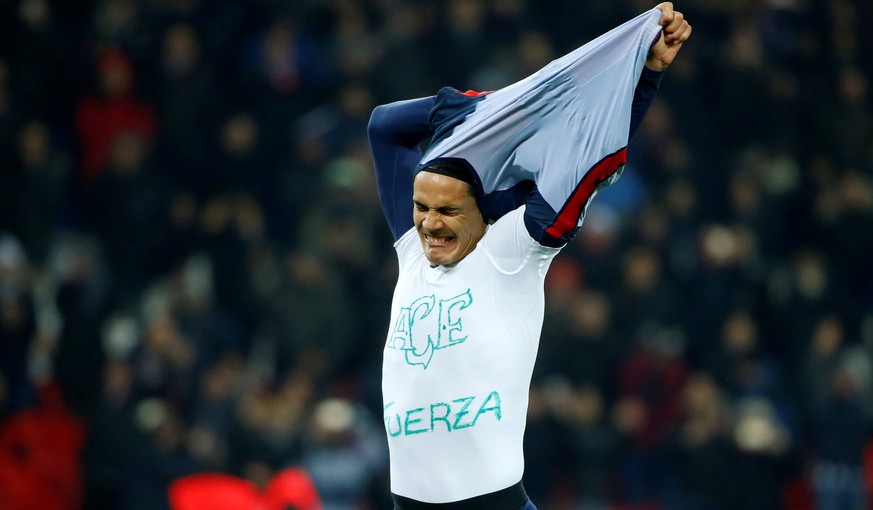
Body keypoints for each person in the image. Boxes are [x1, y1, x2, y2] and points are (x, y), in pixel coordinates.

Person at [367, 4, 691, 509]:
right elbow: (383, 126)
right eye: (421, 207)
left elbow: (590, 151)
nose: (430, 222)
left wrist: (643, 75)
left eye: (447, 210)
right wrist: (463, 110)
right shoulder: (412, 250)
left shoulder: (510, 250)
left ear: (483, 211)